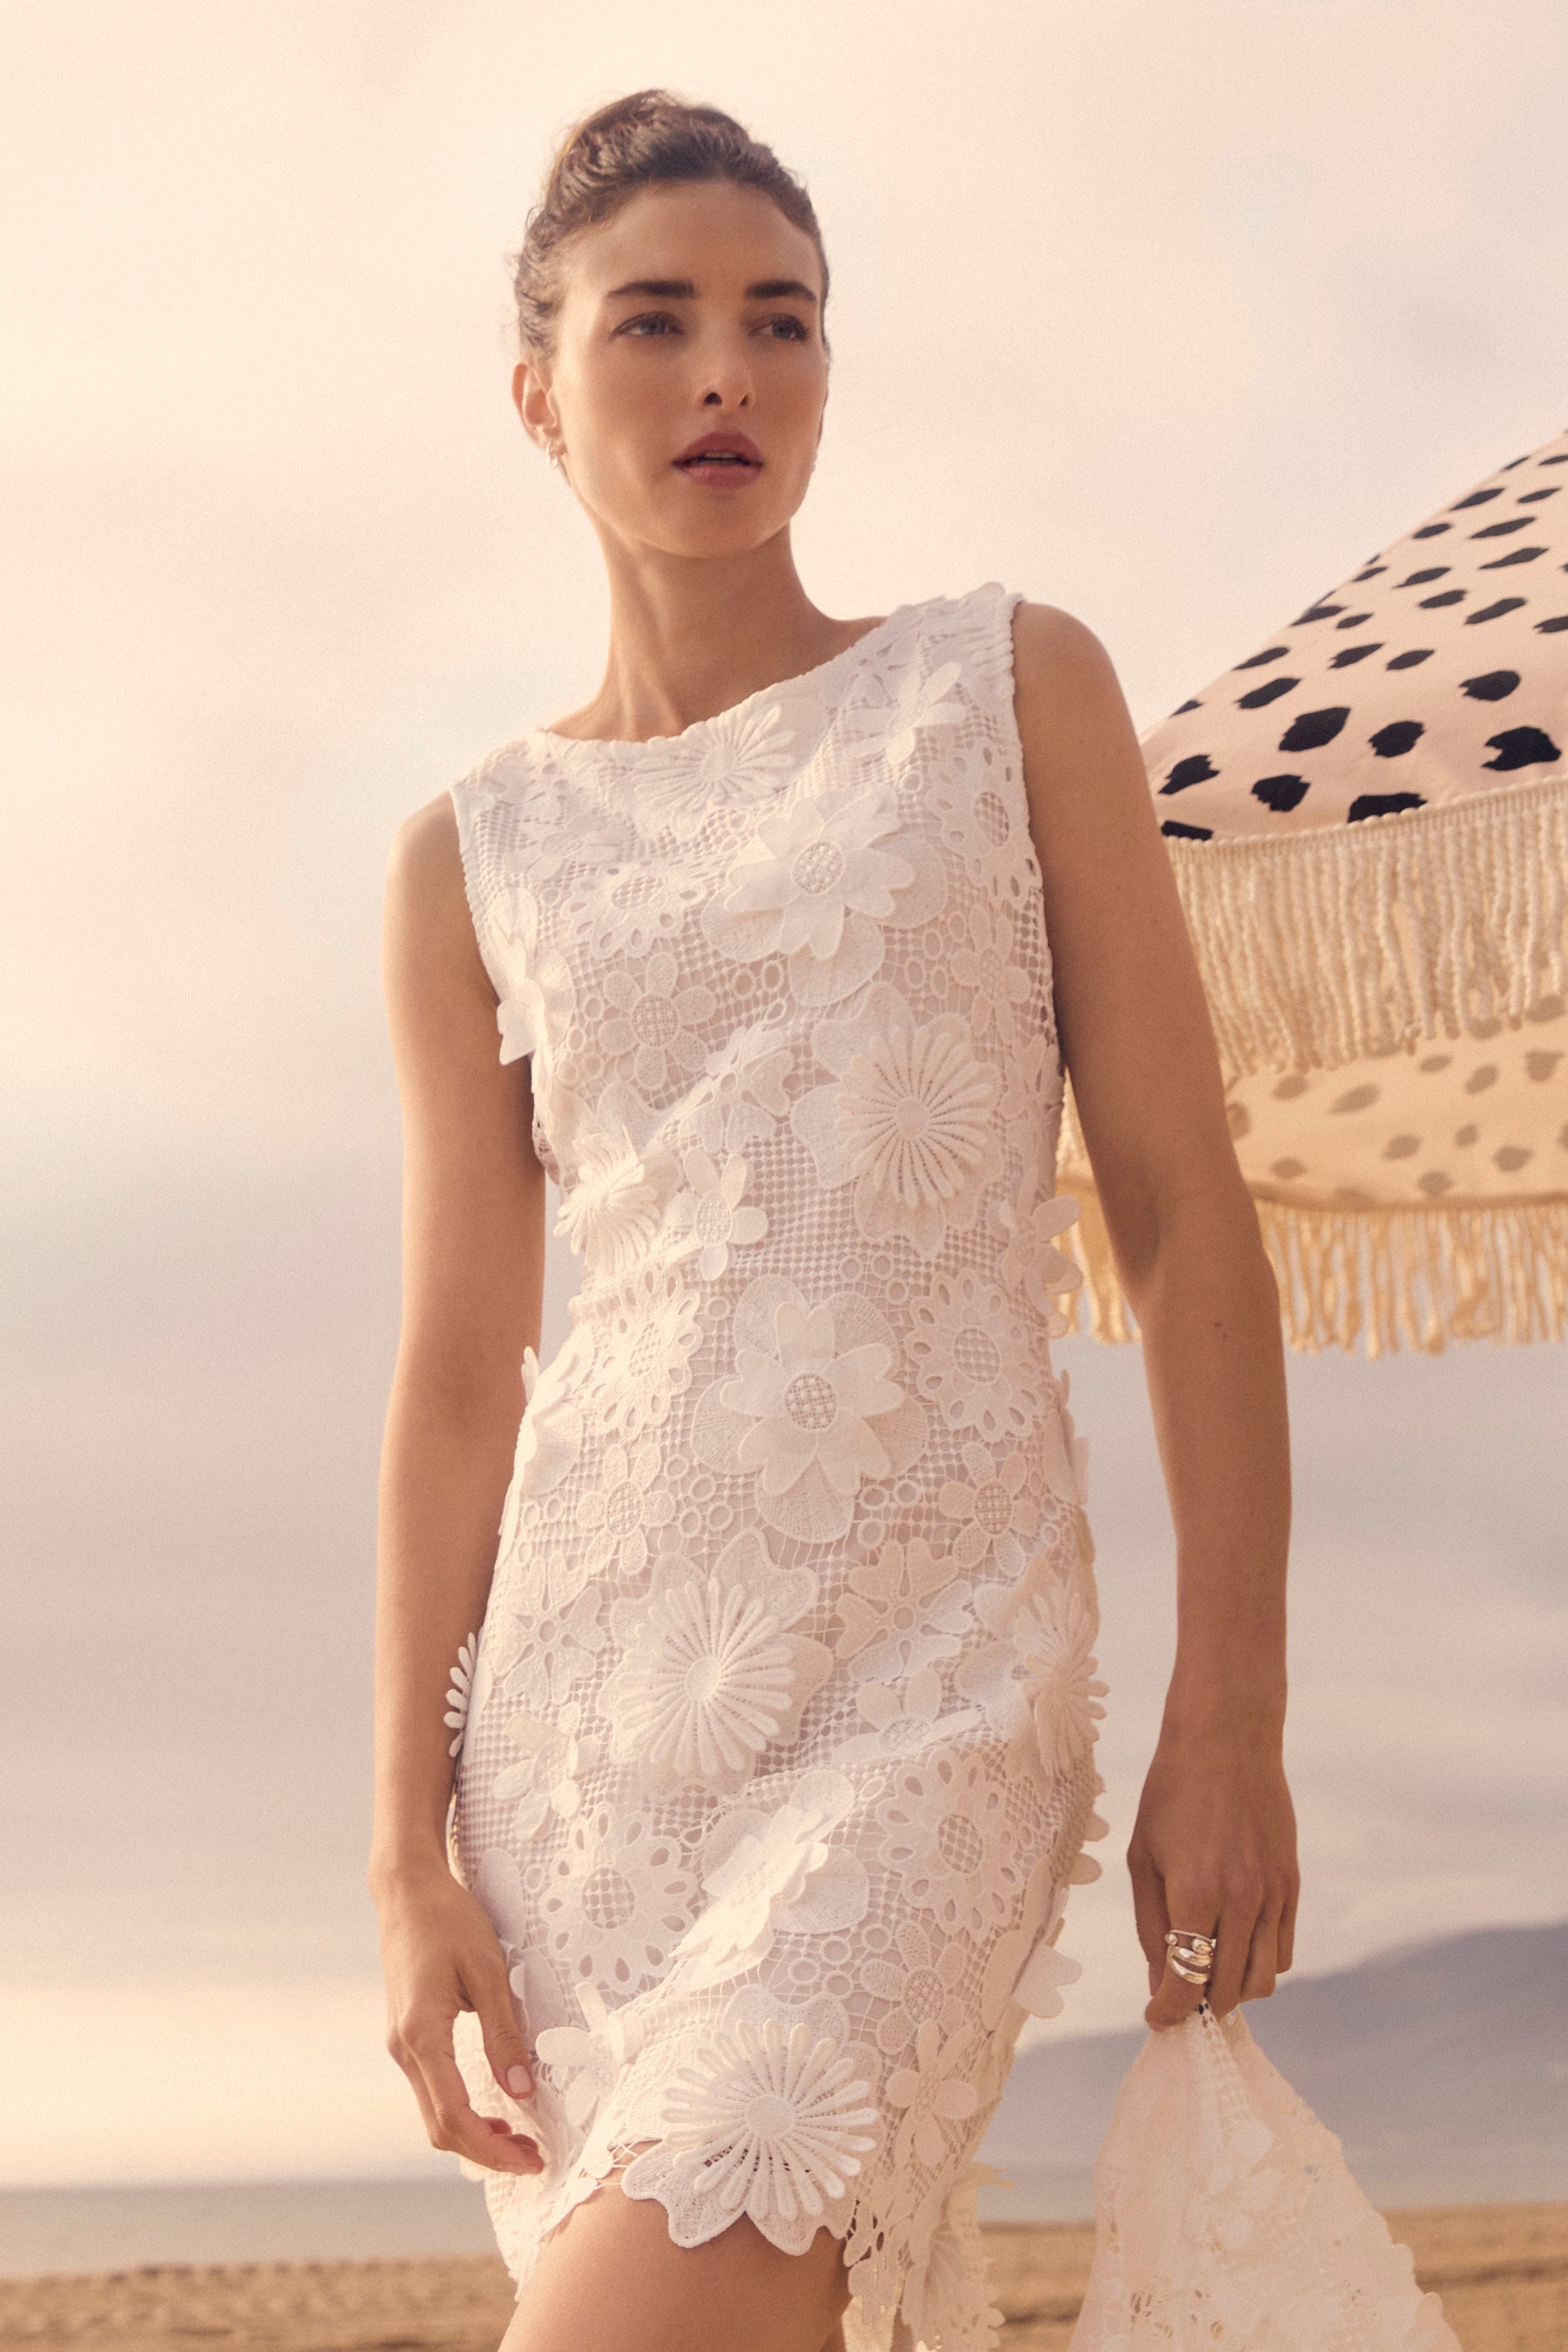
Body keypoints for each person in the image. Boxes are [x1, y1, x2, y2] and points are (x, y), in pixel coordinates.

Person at [368, 89, 1302, 2352]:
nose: (724, 375)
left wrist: (1229, 1710)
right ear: (536, 391)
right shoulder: (466, 851)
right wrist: (406, 1847)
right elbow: (456, 1377)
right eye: (653, 321)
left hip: (934, 1681)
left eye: (778, 321)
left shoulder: (997, 689)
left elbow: (1184, 1225)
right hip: (590, 1751)